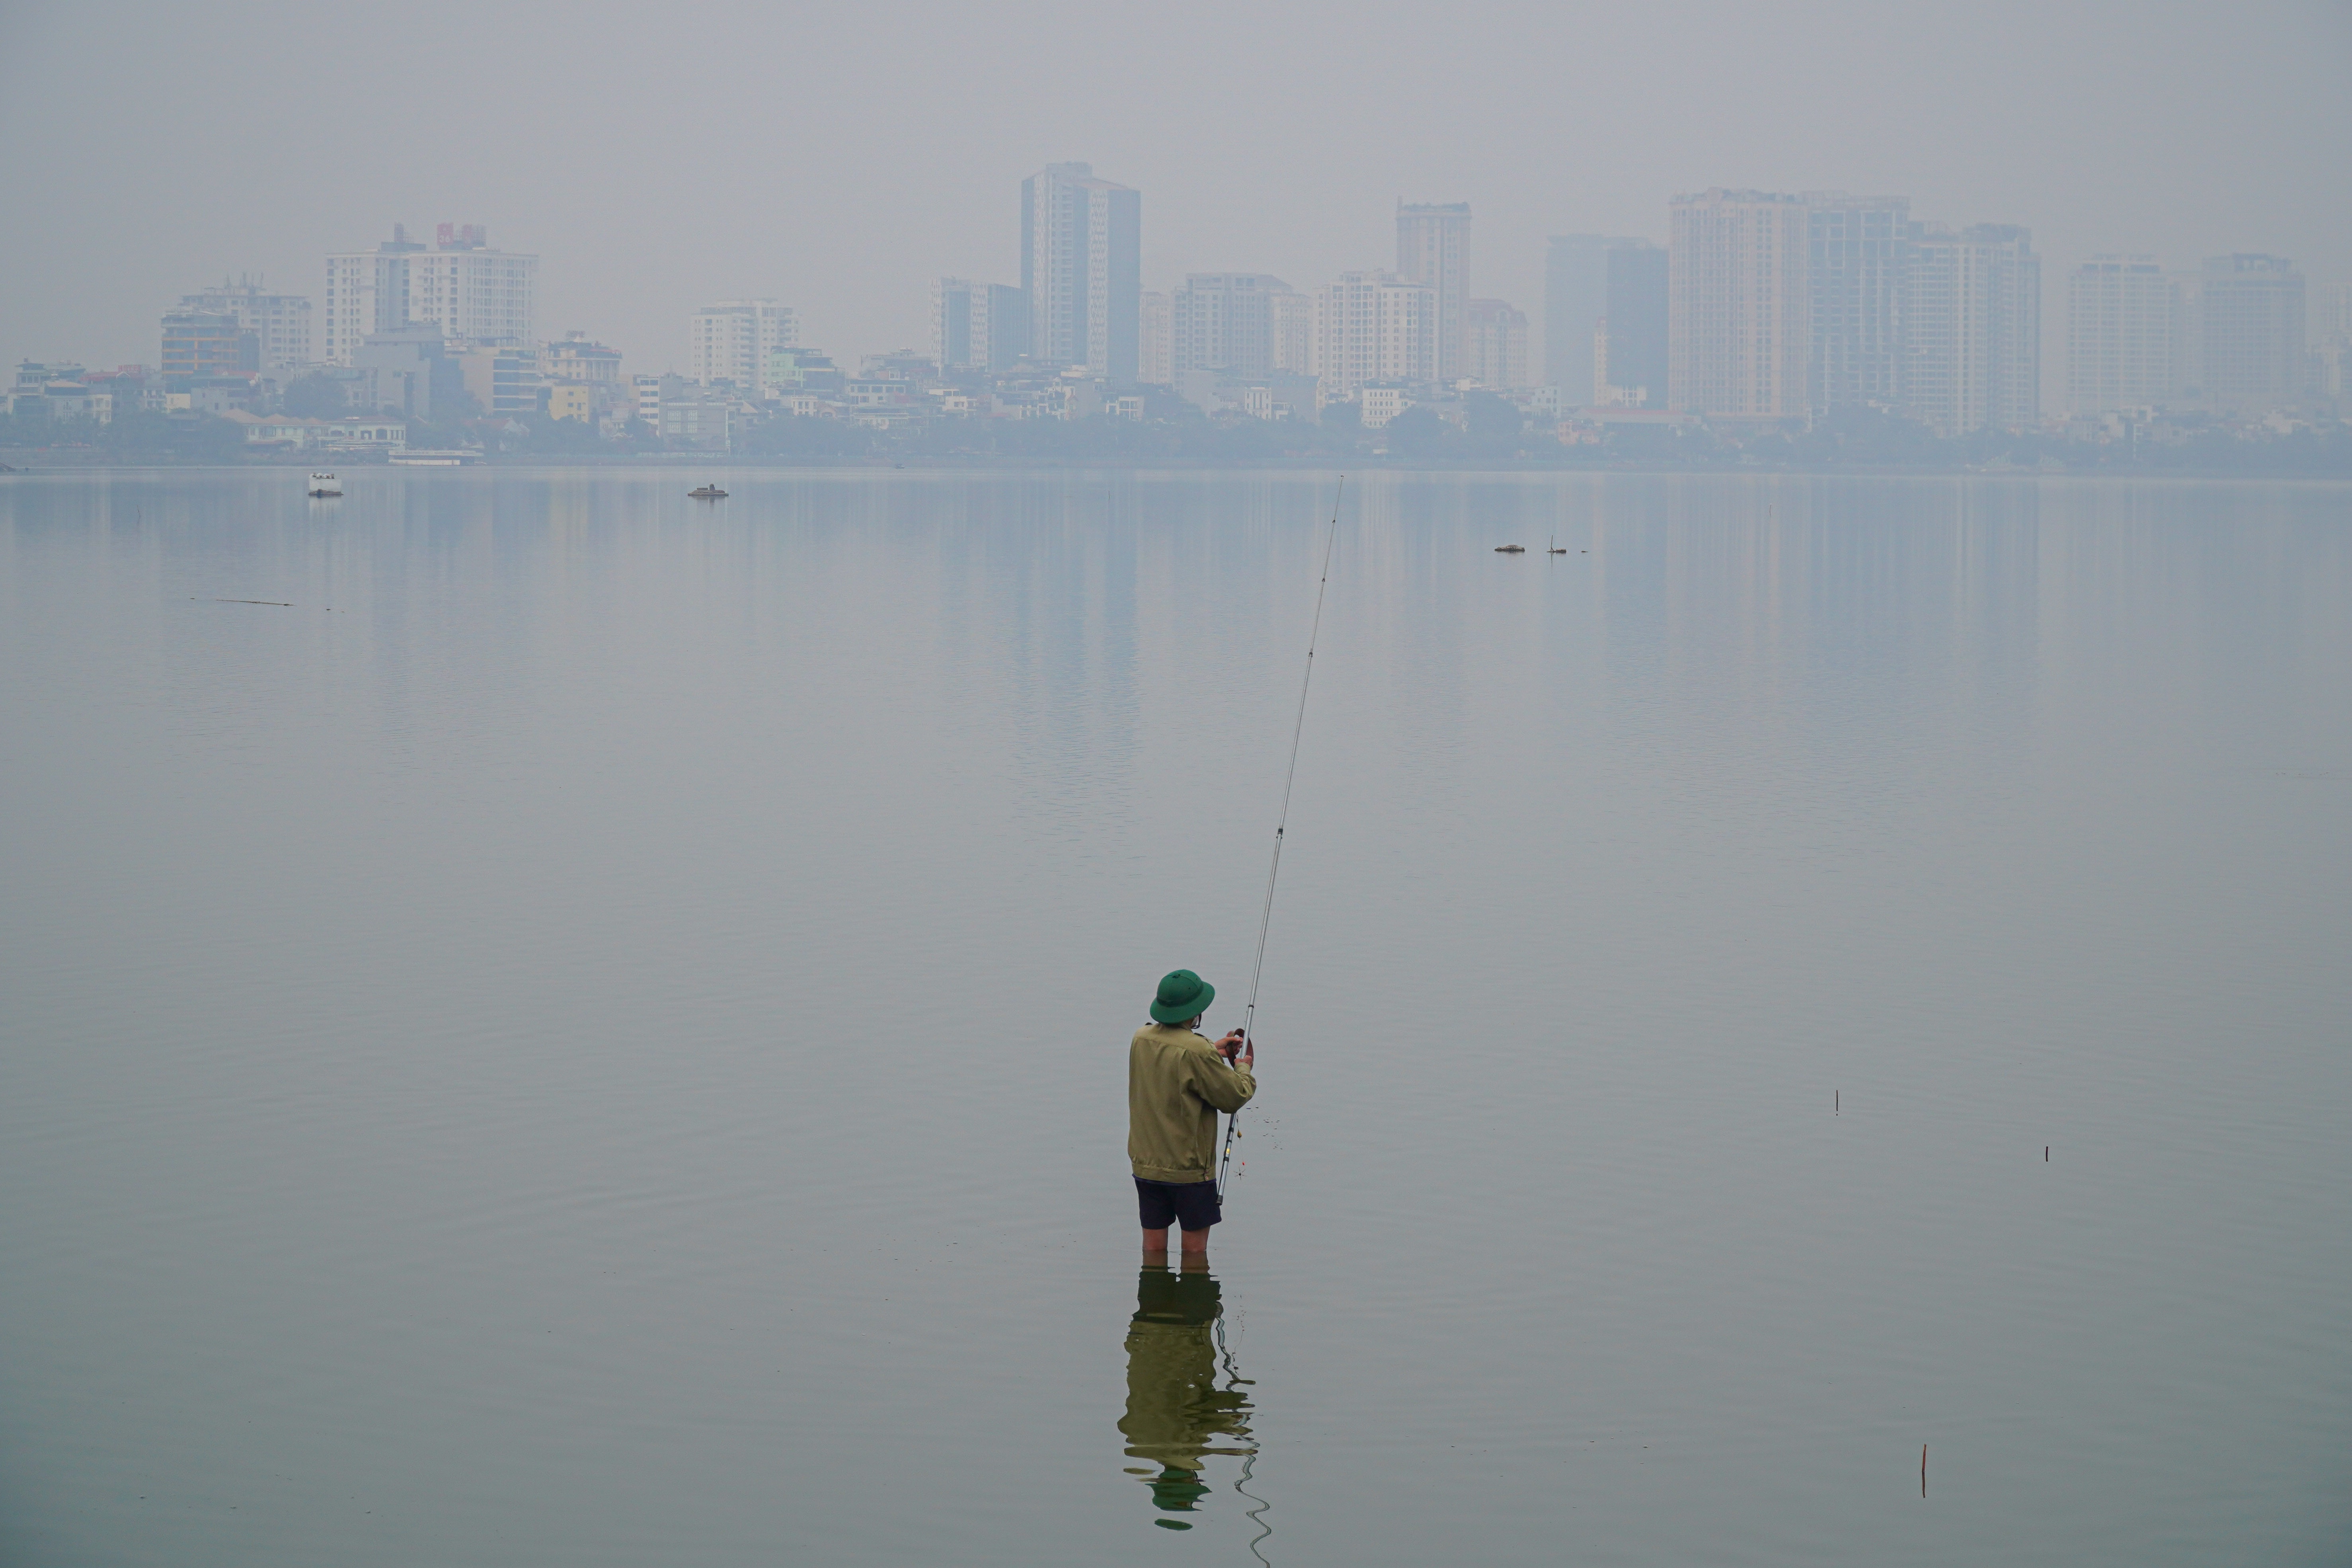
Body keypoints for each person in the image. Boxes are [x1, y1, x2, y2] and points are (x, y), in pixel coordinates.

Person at [1129, 968, 1254, 1259]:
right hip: (1189, 1171)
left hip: (1146, 1166)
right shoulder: (1198, 1051)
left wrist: (1213, 1049)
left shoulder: (1140, 1038)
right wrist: (1243, 1067)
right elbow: (1234, 1096)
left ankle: (1154, 1299)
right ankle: (1193, 1300)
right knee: (1195, 1255)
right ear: (1195, 1011)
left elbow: (1177, 1054)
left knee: (1153, 1249)